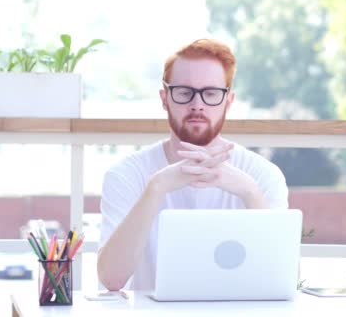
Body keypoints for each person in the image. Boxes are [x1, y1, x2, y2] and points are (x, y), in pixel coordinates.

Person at [96, 39, 288, 291]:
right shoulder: (127, 175)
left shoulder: (262, 175)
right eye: (185, 92)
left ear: (228, 102)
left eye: (210, 93)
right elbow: (111, 279)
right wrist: (156, 189)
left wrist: (249, 192)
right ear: (165, 99)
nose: (197, 104)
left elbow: (285, 277)